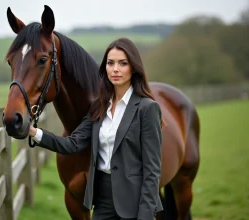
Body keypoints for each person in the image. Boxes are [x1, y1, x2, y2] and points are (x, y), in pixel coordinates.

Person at [29, 37, 163, 220]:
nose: (115, 69)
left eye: (123, 63)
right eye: (110, 63)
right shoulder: (99, 107)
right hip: (102, 202)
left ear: (133, 67)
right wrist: (33, 132)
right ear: (104, 68)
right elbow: (72, 144)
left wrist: (146, 214)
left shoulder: (147, 108)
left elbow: (152, 169)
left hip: (134, 201)